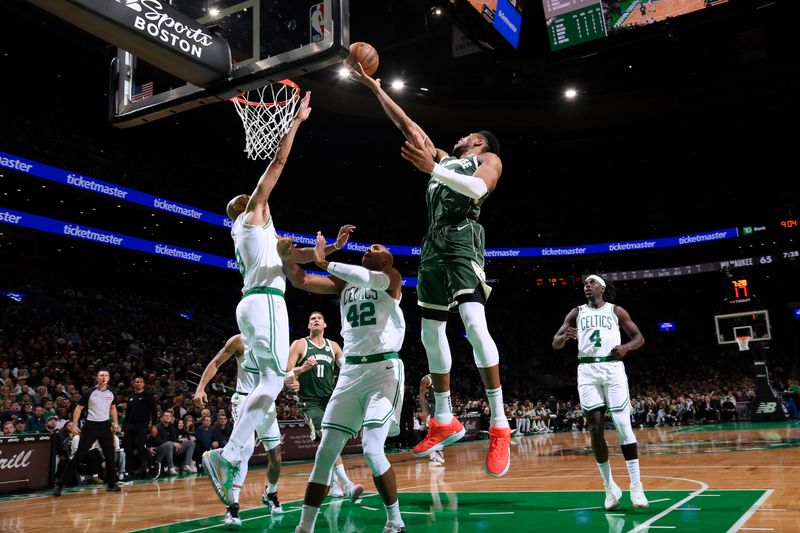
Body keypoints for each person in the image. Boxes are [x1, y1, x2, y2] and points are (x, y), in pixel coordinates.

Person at [351, 64, 510, 477]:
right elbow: (407, 124)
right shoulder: (440, 157)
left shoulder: (486, 158)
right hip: (433, 244)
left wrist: (433, 170)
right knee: (429, 332)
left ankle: (499, 423)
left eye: (466, 136)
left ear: (477, 142)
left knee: (474, 324)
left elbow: (478, 189)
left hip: (461, 240)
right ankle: (444, 418)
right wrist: (374, 87)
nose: (457, 138)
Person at [202, 92, 351, 507]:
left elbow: (295, 258)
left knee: (271, 380)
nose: (259, 200)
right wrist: (296, 122)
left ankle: (228, 455)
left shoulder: (259, 236)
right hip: (265, 302)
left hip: (257, 300)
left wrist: (332, 250)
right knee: (270, 380)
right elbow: (278, 164)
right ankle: (227, 456)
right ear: (245, 207)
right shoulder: (251, 215)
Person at [279, 230, 407, 533]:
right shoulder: (346, 282)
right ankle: (304, 527)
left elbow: (368, 278)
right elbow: (301, 281)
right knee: (325, 453)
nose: (371, 246)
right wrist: (287, 257)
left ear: (387, 258)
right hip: (350, 372)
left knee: (372, 449)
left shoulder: (391, 276)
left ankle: (396, 521)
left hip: (383, 370)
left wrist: (325, 260)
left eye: (378, 245)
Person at [552, 274, 648, 510]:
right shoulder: (576, 312)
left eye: (592, 283)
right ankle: (609, 487)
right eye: (585, 284)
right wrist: (565, 337)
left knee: (622, 424)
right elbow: (555, 341)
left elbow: (639, 338)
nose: (587, 286)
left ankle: (636, 485)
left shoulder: (616, 311)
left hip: (612, 368)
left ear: (602, 288)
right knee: (594, 428)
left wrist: (626, 347)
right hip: (587, 370)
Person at [195, 334, 292, 527]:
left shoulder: (276, 340)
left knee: (276, 458)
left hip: (266, 401)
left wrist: (293, 379)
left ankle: (270, 493)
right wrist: (200, 388)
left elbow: (287, 372)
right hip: (244, 399)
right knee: (244, 451)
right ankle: (233, 507)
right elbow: (215, 362)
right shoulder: (239, 340)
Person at [287, 311, 363, 500]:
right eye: (312, 319)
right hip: (309, 401)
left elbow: (347, 371)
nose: (315, 321)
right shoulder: (300, 344)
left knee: (331, 442)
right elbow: (286, 372)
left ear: (325, 324)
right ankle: (347, 484)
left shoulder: (334, 346)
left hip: (329, 400)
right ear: (308, 326)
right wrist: (300, 370)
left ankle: (333, 483)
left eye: (319, 318)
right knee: (326, 438)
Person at [53, 369, 121, 496]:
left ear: (109, 378)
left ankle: (111, 484)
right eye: (101, 375)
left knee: (110, 456)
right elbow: (79, 408)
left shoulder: (112, 392)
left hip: (105, 426)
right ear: (97, 378)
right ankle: (59, 485)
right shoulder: (90, 392)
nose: (103, 377)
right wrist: (74, 425)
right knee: (79, 455)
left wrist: (115, 423)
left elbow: (113, 408)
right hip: (91, 426)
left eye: (106, 375)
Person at [123, 375, 160, 478]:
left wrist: (153, 425)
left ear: (143, 384)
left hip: (142, 425)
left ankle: (153, 464)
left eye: (140, 381)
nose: (138, 383)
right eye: (136, 381)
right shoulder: (131, 397)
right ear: (134, 384)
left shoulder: (148, 396)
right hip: (130, 426)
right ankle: (128, 473)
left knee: (140, 447)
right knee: (128, 450)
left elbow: (154, 411)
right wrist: (124, 426)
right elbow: (128, 413)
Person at [419, 374, 444, 466]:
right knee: (432, 431)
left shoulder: (442, 377)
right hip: (431, 406)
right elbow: (421, 396)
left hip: (440, 406)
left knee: (441, 431)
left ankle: (438, 452)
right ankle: (432, 458)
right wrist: (424, 411)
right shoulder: (427, 379)